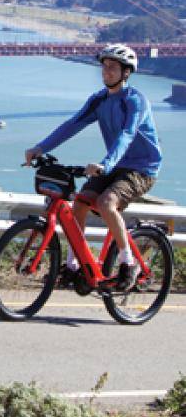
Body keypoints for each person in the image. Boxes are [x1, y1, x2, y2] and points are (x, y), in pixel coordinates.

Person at [24, 43, 162, 293]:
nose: (106, 71)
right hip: (114, 164)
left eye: (113, 67)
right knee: (79, 202)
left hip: (142, 168)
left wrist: (106, 164)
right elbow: (72, 125)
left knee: (107, 202)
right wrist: (40, 148)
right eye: (105, 66)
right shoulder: (99, 100)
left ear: (126, 72)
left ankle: (128, 264)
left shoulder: (135, 101)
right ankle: (73, 266)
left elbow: (127, 135)